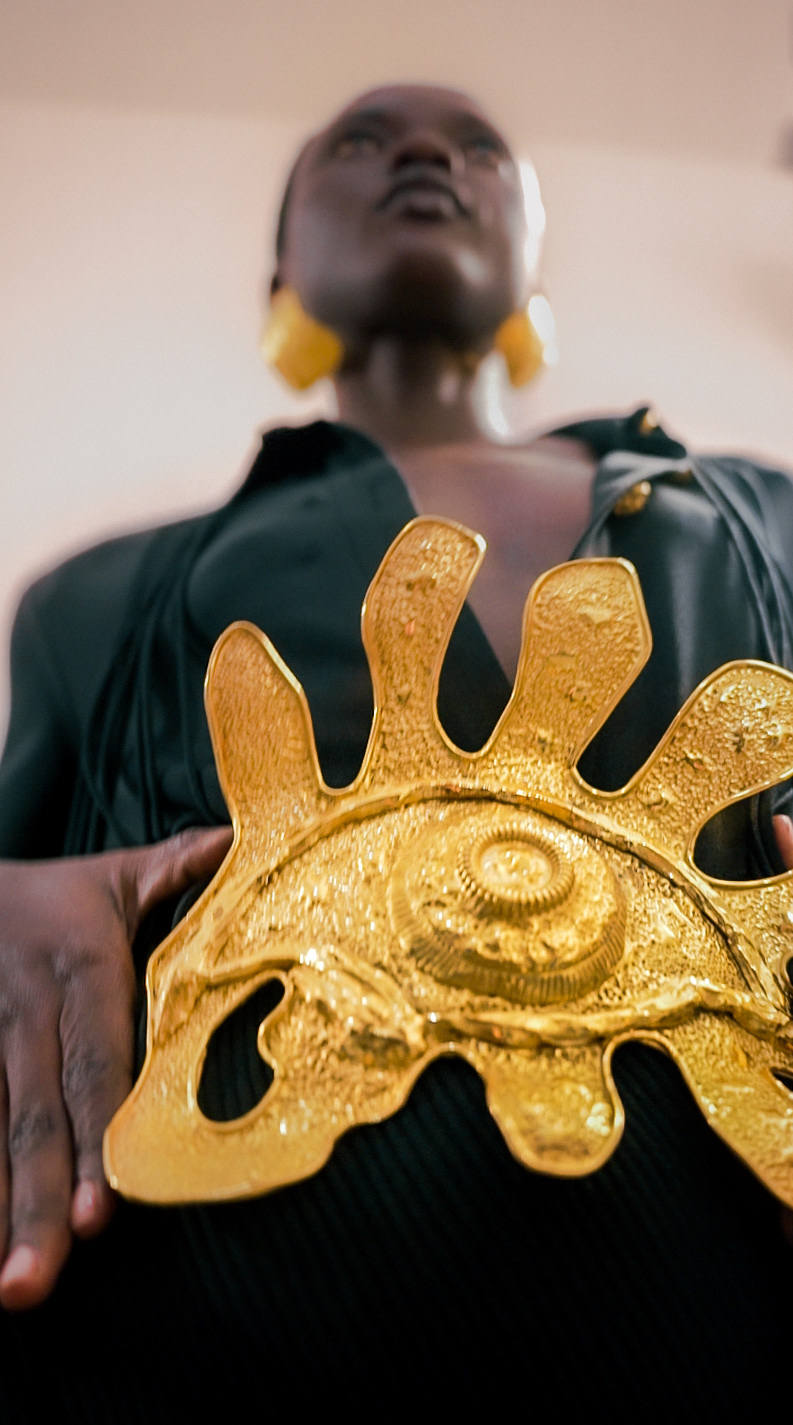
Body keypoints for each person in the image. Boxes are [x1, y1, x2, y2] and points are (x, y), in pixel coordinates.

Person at [1, 83, 793, 1417]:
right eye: (361, 143)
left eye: (479, 147)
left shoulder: (764, 516)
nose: (425, 152)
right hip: (183, 1326)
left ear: (534, 267)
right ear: (282, 274)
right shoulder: (99, 596)